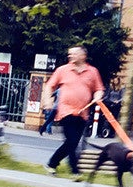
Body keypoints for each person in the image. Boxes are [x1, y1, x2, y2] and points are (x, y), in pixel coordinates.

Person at [42, 45, 105, 176]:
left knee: (72, 142)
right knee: (71, 141)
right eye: (69, 54)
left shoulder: (92, 72)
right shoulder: (62, 70)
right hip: (65, 111)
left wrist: (97, 96)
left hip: (83, 113)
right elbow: (49, 86)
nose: (70, 56)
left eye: (74, 54)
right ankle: (75, 171)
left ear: (83, 56)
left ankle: (51, 164)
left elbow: (99, 88)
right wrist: (48, 101)